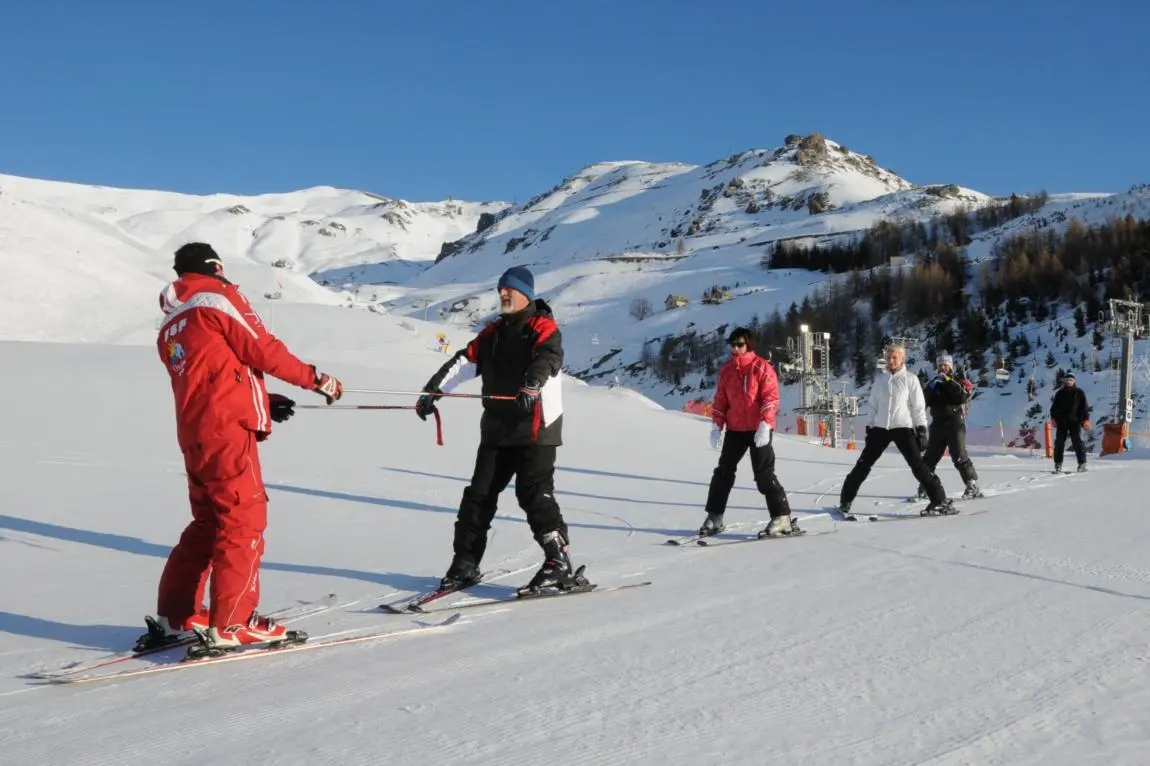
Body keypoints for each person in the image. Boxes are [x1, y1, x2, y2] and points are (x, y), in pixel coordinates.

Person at [142, 242, 344, 652]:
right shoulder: (218, 296)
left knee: (208, 524)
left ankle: (176, 615)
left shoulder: (171, 325)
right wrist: (316, 379)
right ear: (214, 267)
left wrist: (262, 399)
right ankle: (232, 623)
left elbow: (211, 374)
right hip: (228, 432)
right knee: (242, 521)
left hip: (196, 434)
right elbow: (259, 347)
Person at [414, 266, 582, 595]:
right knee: (478, 495)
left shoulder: (542, 327)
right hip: (497, 428)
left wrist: (531, 384)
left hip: (536, 427)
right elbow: (464, 363)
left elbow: (548, 358)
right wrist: (432, 392)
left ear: (526, 294)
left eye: (510, 290)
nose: (503, 294)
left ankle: (558, 562)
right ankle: (465, 563)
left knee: (533, 493)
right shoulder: (493, 334)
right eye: (500, 289)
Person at [699, 327, 793, 538]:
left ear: (748, 344)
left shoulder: (762, 368)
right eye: (732, 344)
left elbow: (771, 398)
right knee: (723, 472)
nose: (736, 348)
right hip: (735, 429)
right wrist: (717, 426)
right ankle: (715, 516)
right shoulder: (727, 371)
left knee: (763, 474)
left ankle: (782, 517)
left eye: (740, 344)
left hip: (758, 429)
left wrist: (765, 424)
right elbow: (721, 401)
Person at [839, 345, 954, 516]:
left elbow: (918, 408)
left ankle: (939, 500)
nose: (891, 360)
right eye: (888, 357)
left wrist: (921, 429)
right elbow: (873, 405)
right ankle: (845, 500)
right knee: (863, 465)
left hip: (903, 427)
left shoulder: (910, 379)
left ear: (902, 359)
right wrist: (870, 426)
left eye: (894, 357)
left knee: (918, 465)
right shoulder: (880, 380)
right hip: (880, 428)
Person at [915, 353, 982, 500]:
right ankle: (926, 486)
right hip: (938, 424)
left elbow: (962, 396)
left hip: (955, 424)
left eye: (945, 365)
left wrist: (949, 381)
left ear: (950, 367)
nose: (942, 368)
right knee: (929, 458)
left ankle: (971, 485)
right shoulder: (935, 382)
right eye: (940, 365)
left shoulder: (958, 380)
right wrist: (930, 388)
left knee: (959, 455)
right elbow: (923, 403)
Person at [1050, 371, 1090, 473]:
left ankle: (1082, 464)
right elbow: (1054, 408)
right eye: (1067, 380)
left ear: (1074, 381)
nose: (1069, 381)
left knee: (1077, 442)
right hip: (1061, 422)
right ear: (1064, 381)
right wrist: (1053, 418)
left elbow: (1084, 408)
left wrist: (1085, 420)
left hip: (1075, 422)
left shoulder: (1079, 393)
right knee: (1059, 443)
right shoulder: (1059, 393)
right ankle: (1058, 464)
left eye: (1071, 380)